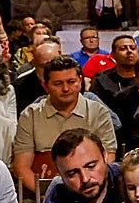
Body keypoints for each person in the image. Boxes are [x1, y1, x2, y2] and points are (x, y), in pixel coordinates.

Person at [13, 54, 118, 193]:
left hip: (91, 190)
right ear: (45, 86)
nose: (66, 89)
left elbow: (108, 158)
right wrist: (47, 197)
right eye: (58, 84)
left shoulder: (98, 112)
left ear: (80, 81)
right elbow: (21, 166)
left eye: (71, 81)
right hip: (42, 196)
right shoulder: (30, 115)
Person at [90, 35, 139, 124]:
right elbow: (96, 109)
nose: (129, 51)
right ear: (113, 55)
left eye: (133, 48)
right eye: (123, 49)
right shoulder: (101, 79)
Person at [13, 37, 60, 113]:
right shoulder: (19, 86)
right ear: (34, 63)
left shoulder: (71, 81)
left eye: (54, 65)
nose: (49, 71)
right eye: (44, 66)